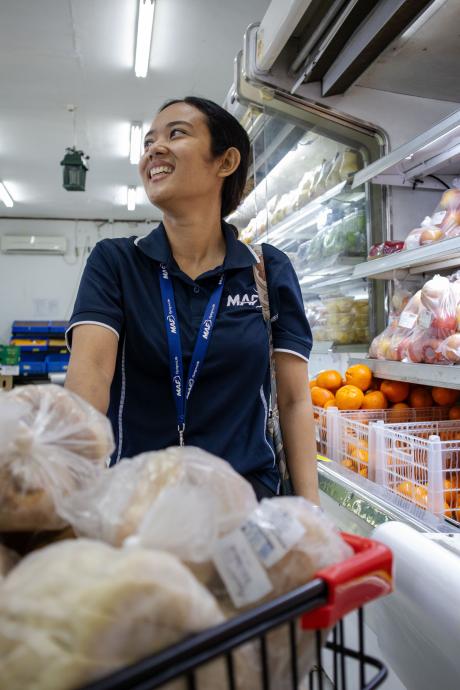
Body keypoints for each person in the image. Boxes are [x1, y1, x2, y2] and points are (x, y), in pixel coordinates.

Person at [65, 96, 319, 503]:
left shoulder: (268, 270)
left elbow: (293, 399)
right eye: (148, 142)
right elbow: (89, 380)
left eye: (176, 133)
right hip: (138, 509)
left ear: (225, 162)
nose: (154, 149)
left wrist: (310, 515)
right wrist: (68, 496)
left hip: (248, 509)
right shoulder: (116, 262)